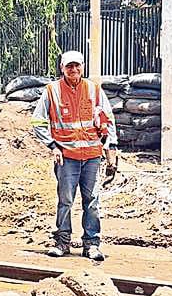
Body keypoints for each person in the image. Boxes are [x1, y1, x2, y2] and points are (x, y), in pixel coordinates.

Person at [31, 50, 115, 261]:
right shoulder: (52, 91)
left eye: (77, 66)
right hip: (66, 157)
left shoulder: (94, 89)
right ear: (62, 68)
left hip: (92, 156)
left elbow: (108, 119)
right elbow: (38, 121)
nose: (74, 70)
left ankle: (92, 244)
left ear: (83, 67)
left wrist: (110, 148)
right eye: (69, 66)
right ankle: (62, 242)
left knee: (92, 201)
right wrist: (52, 146)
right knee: (66, 200)